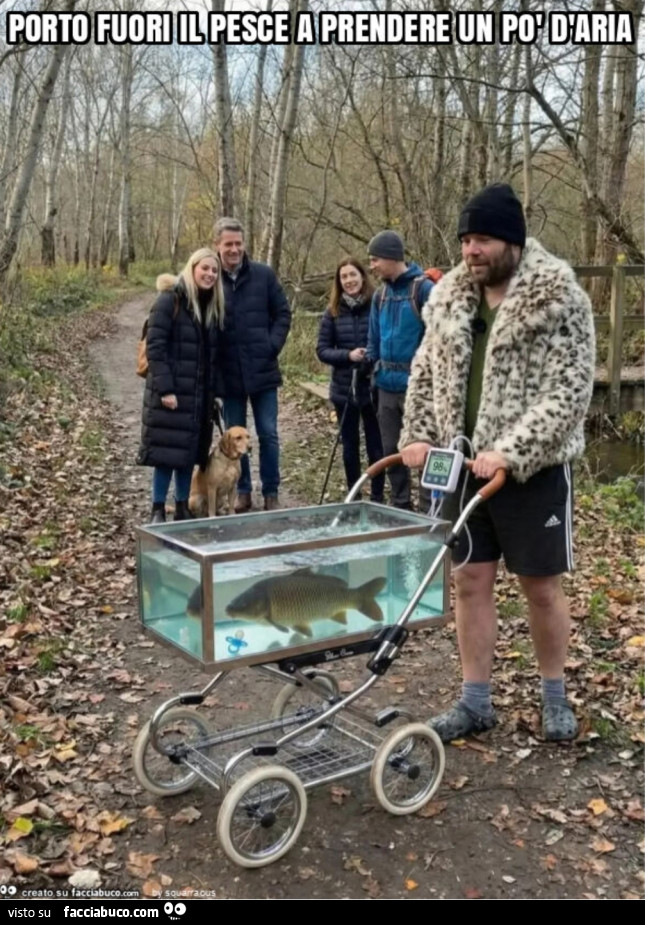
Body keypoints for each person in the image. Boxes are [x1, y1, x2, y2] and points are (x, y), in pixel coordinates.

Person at [399, 183, 595, 742]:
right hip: (461, 467)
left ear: (511, 240)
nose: (470, 251)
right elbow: (425, 371)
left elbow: (569, 391)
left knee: (540, 588)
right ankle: (475, 700)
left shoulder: (560, 299)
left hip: (532, 473)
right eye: (465, 240)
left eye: (481, 238)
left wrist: (511, 452)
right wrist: (416, 433)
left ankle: (554, 694)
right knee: (469, 581)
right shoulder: (448, 298)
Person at [137, 248, 224, 523]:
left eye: (214, 271)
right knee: (166, 454)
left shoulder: (211, 306)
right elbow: (156, 347)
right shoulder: (169, 300)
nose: (210, 274)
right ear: (192, 267)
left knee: (188, 454)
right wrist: (166, 389)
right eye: (205, 268)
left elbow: (212, 357)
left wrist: (214, 394)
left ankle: (182, 505)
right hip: (172, 392)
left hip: (198, 395)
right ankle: (157, 508)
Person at [213, 217, 291, 512]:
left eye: (238, 244)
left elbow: (283, 314)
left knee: (268, 433)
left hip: (263, 371)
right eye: (228, 244)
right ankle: (242, 491)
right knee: (235, 439)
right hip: (229, 375)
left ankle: (271, 491)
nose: (234, 249)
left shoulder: (263, 275)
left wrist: (272, 346)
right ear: (217, 246)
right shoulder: (211, 278)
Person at [365, 229, 435, 510]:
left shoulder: (425, 290)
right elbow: (374, 337)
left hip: (418, 386)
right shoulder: (380, 296)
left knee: (424, 447)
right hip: (386, 385)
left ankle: (430, 507)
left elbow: (438, 338)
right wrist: (369, 364)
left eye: (375, 260)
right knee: (391, 448)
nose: (372, 266)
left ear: (391, 257)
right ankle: (400, 503)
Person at [316, 258, 385, 502]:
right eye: (344, 277)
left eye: (352, 275)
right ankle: (353, 495)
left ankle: (377, 495)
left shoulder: (378, 303)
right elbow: (322, 350)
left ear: (362, 276)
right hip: (344, 390)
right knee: (350, 446)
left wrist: (370, 356)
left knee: (376, 446)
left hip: (373, 387)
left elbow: (385, 339)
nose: (349, 281)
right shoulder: (332, 311)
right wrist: (348, 355)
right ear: (339, 282)